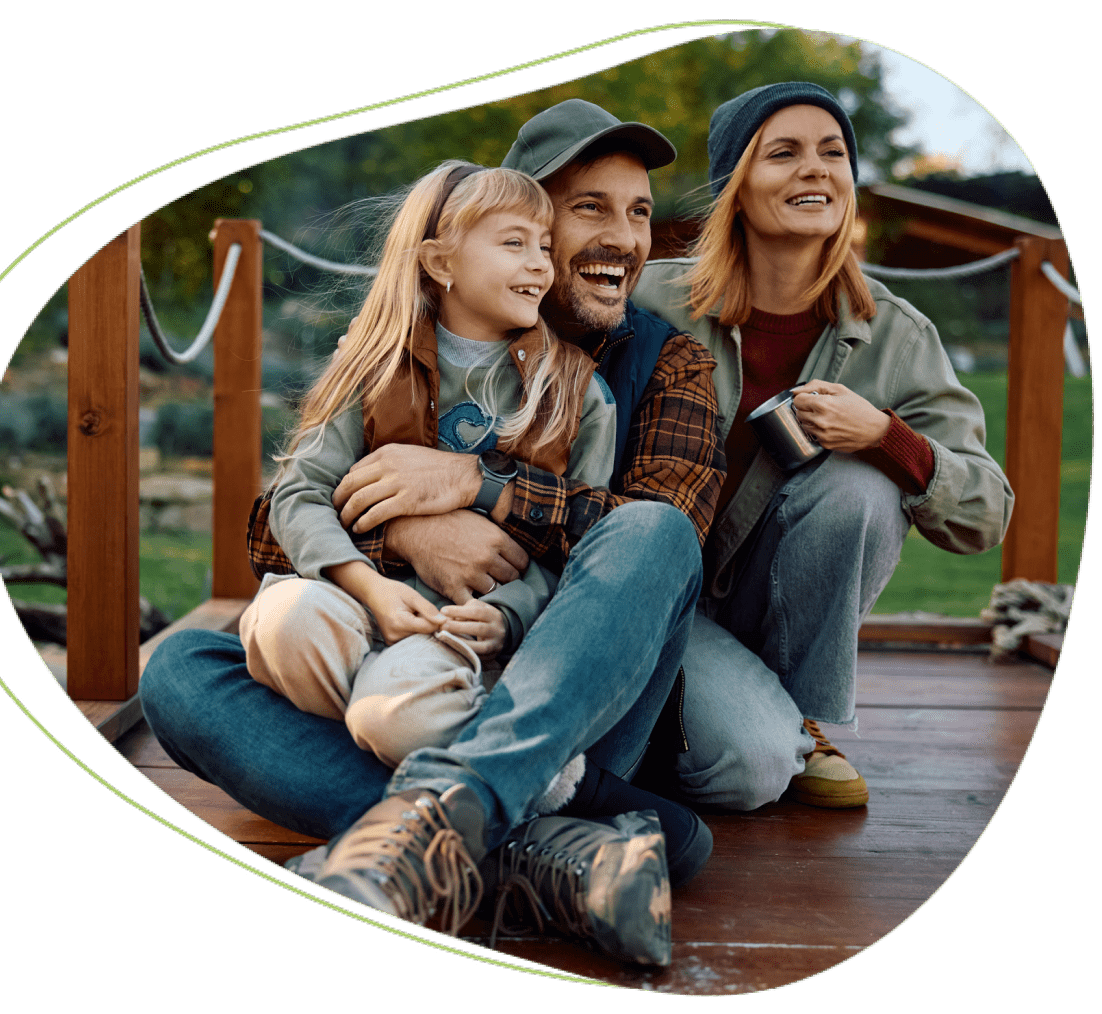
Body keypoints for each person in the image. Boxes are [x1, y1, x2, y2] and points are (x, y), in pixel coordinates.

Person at [140, 99, 726, 966]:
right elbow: (272, 529)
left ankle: (456, 809)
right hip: (396, 647)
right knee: (182, 673)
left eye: (639, 212)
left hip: (559, 690)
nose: (624, 239)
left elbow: (654, 554)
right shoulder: (395, 348)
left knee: (655, 531)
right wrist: (412, 538)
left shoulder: (666, 364)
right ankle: (550, 850)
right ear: (497, 222)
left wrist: (483, 488)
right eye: (588, 209)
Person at [631, 82, 1015, 811]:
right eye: (784, 153)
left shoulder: (899, 337)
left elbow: (986, 515)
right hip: (650, 591)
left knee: (861, 489)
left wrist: (886, 437)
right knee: (741, 765)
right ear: (735, 189)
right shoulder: (652, 301)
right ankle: (692, 722)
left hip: (762, 609)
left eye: (832, 153)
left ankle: (794, 723)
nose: (816, 169)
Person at [239, 161, 617, 774]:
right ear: (441, 264)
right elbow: (299, 493)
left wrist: (507, 615)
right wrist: (370, 586)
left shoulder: (577, 393)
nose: (540, 264)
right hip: (356, 597)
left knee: (393, 717)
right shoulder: (373, 362)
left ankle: (503, 767)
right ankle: (434, 761)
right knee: (281, 621)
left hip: (455, 629)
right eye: (514, 243)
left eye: (544, 247)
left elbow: (579, 546)